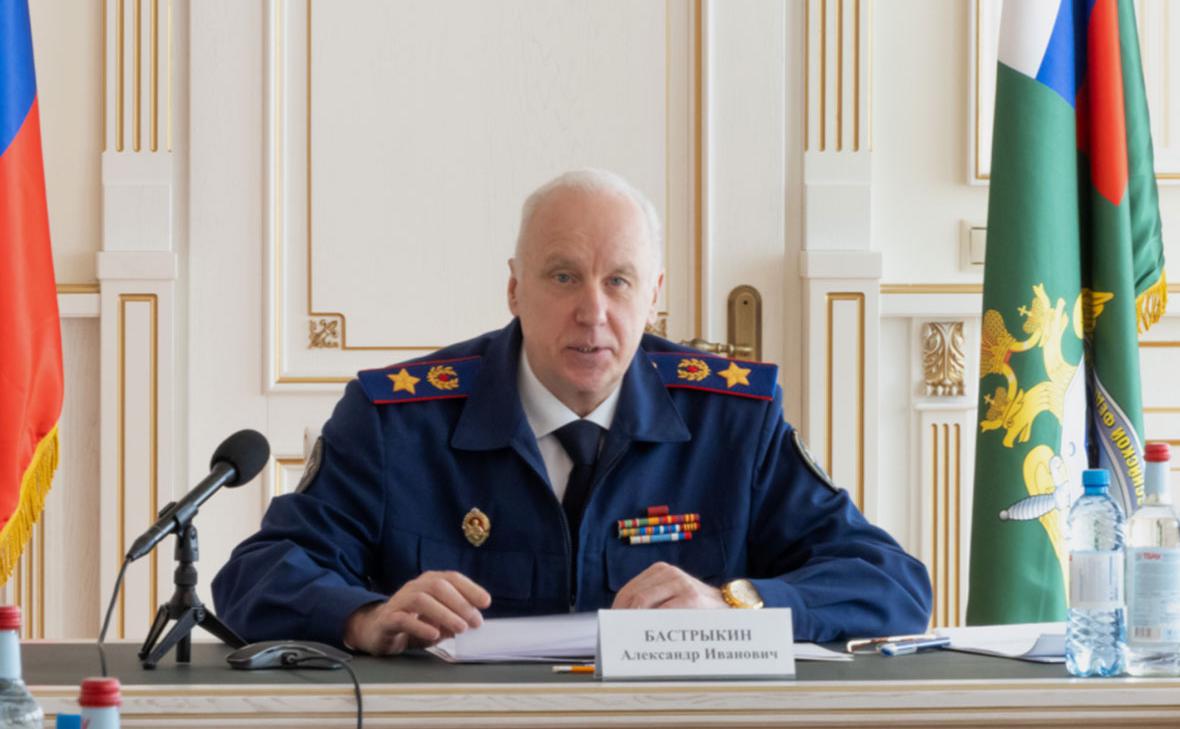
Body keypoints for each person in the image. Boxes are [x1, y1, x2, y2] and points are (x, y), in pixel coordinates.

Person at [211, 169, 931, 655]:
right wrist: (364, 617)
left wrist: (734, 605)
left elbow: (891, 584)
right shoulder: (396, 419)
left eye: (618, 282)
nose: (593, 312)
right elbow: (258, 574)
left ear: (654, 296)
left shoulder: (734, 420)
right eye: (563, 277)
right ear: (514, 289)